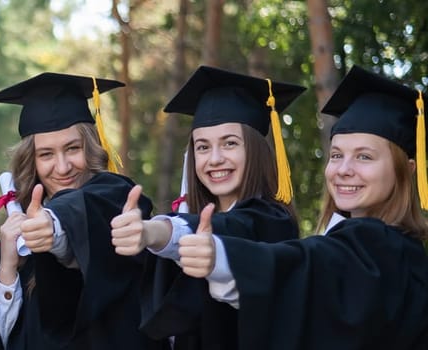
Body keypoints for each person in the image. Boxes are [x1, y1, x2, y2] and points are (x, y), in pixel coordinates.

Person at [179, 66, 428, 349]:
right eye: (336, 155)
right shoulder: (394, 248)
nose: (343, 170)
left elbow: (309, 264)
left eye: (364, 157)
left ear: (406, 171)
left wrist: (225, 256)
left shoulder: (381, 246)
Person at [107, 66, 305, 349]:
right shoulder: (200, 216)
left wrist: (154, 231)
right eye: (202, 147)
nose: (214, 159)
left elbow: (233, 229)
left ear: (257, 150)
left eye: (230, 143)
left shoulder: (273, 221)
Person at [0, 72, 159, 349]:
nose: (62, 167)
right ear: (32, 161)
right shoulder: (18, 230)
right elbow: (4, 338)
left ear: (90, 147)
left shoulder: (115, 197)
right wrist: (7, 265)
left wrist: (52, 226)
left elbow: (80, 215)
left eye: (73, 148)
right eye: (46, 154)